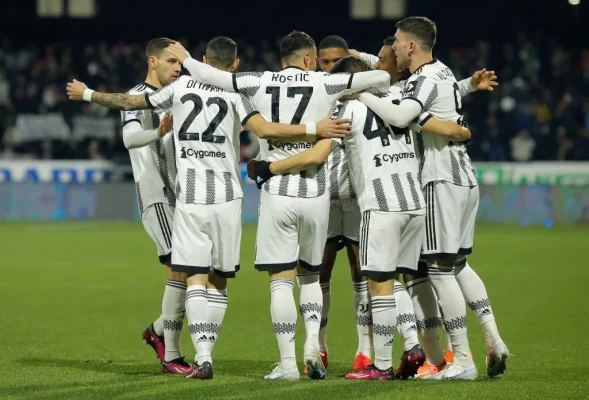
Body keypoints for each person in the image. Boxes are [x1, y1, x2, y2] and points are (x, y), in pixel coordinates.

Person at [66, 36, 351, 380]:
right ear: (235, 65)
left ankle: (202, 357)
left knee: (194, 279)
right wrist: (315, 129)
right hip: (227, 197)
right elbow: (264, 129)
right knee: (219, 280)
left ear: (201, 61)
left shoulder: (178, 89)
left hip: (189, 197)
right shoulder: (237, 93)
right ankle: (178, 347)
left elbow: (129, 101)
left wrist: (87, 94)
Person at [167, 31, 390, 380]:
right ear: (308, 58)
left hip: (276, 191)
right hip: (315, 192)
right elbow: (382, 77)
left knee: (281, 281)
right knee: (311, 276)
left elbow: (216, 77)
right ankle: (312, 345)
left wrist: (187, 59)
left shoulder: (259, 80)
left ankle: (287, 364)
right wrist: (360, 62)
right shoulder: (325, 82)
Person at [359, 16, 508, 380]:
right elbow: (438, 98)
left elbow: (401, 116)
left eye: (397, 41)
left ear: (411, 45)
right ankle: (493, 337)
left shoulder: (422, 79)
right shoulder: (441, 72)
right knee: (457, 265)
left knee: (440, 270)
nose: (393, 47)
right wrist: (469, 86)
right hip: (463, 176)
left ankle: (463, 360)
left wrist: (360, 94)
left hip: (439, 178)